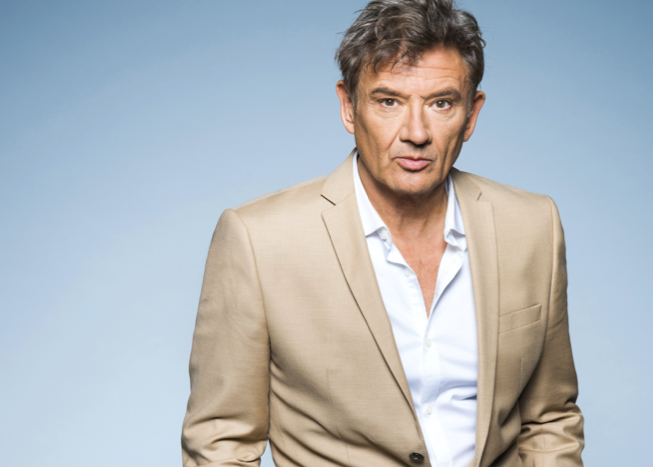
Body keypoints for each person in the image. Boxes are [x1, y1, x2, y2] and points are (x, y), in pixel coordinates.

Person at [181, 0, 584, 466]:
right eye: (388, 101)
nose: (416, 132)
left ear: (471, 114)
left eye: (441, 103)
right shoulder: (259, 240)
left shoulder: (532, 226)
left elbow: (550, 417)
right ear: (349, 107)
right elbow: (221, 439)